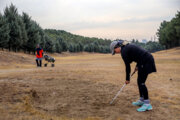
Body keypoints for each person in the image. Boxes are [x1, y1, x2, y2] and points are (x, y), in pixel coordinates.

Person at [110, 40, 156, 112]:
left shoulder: (124, 51)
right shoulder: (126, 48)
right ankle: (141, 100)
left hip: (146, 61)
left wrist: (127, 79)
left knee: (141, 82)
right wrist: (138, 66)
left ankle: (147, 104)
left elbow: (127, 67)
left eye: (115, 51)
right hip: (143, 61)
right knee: (139, 81)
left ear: (117, 47)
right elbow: (138, 55)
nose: (116, 53)